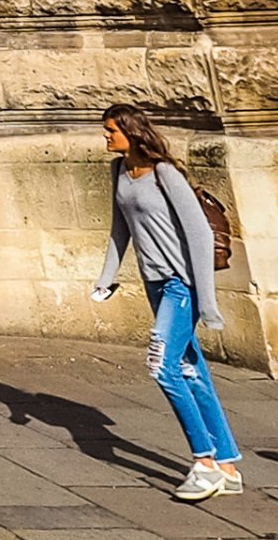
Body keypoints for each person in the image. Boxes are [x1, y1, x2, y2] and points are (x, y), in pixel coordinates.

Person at [90, 102, 240, 499]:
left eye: (111, 130)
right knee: (191, 370)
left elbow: (201, 236)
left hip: (181, 284)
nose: (105, 136)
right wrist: (107, 279)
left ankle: (203, 462)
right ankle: (227, 463)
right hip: (155, 284)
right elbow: (118, 229)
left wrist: (207, 301)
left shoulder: (166, 174)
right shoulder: (118, 171)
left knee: (162, 366)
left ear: (132, 132)